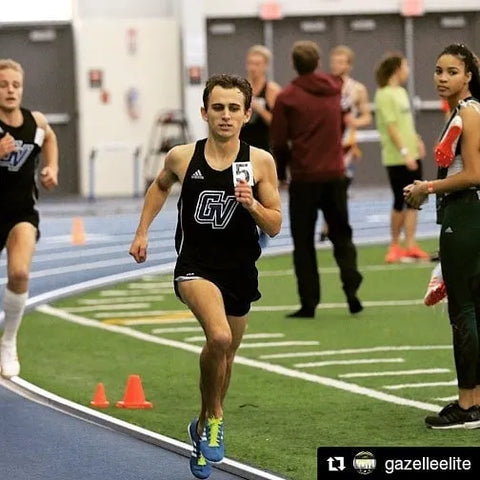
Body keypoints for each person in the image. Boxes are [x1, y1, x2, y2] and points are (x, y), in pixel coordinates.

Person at [129, 73, 282, 478]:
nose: (226, 115)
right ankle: (215, 418)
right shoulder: (182, 156)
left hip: (239, 270)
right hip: (195, 267)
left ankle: (200, 428)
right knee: (218, 336)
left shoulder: (260, 162)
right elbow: (159, 187)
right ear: (204, 112)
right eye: (218, 108)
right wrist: (142, 230)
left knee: (225, 357)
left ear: (247, 114)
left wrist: (251, 207)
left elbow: (275, 225)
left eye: (234, 108)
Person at [404, 43, 480, 429]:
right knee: (472, 309)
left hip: (467, 213)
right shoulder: (465, 111)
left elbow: (474, 174)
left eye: (452, 71)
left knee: (463, 309)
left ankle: (469, 405)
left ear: (468, 76)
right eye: (438, 71)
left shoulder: (468, 112)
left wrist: (426, 187)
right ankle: (474, 398)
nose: (442, 78)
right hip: (466, 213)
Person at [270, 40, 363, 318]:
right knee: (341, 234)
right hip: (334, 174)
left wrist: (282, 171)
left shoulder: (287, 98)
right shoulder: (334, 91)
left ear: (293, 64)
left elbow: (279, 141)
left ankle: (309, 302)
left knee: (304, 242)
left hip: (305, 177)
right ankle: (351, 288)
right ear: (318, 61)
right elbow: (343, 121)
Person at [0, 59, 58, 378]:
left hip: (21, 212)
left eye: (15, 85)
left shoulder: (33, 122)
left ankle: (8, 342)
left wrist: (52, 168)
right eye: (3, 85)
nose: (10, 90)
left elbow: (49, 137)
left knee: (19, 272)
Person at [374, 52, 430, 264]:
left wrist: (416, 141)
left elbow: (406, 124)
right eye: (405, 66)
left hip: (412, 154)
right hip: (397, 157)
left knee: (415, 201)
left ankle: (411, 244)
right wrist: (405, 153)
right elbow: (391, 126)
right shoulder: (384, 94)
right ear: (396, 68)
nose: (408, 70)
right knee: (400, 200)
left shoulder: (401, 92)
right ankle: (395, 244)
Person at [320, 45, 372, 242]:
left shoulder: (357, 89)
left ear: (349, 65)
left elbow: (366, 115)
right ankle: (329, 223)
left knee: (341, 185)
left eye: (341, 62)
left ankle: (334, 226)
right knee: (326, 186)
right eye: (334, 61)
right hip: (325, 144)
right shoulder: (324, 85)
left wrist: (355, 121)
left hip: (345, 145)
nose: (336, 65)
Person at [240, 45, 282, 248]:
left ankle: (264, 226)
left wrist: (259, 109)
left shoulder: (272, 90)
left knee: (263, 190)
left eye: (257, 64)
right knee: (244, 188)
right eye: (250, 63)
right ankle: (247, 229)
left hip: (263, 148)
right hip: (242, 147)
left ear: (265, 66)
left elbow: (278, 122)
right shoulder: (241, 87)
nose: (253, 67)